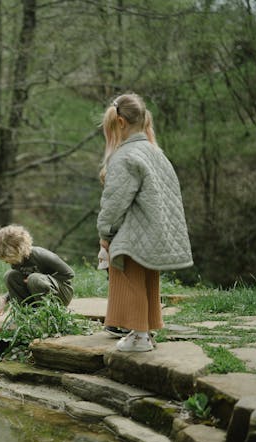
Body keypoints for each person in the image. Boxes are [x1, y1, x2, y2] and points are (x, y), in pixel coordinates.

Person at [97, 93, 193, 352]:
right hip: (156, 231)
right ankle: (146, 331)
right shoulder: (155, 152)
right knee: (147, 279)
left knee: (127, 277)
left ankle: (138, 336)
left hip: (134, 232)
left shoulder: (126, 156)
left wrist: (106, 233)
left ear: (120, 122)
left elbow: (115, 201)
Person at [0, 224, 74, 322]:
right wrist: (6, 298)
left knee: (34, 279)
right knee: (10, 276)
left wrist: (41, 279)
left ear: (18, 249)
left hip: (61, 294)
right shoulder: (17, 260)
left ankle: (49, 314)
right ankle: (25, 314)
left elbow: (69, 274)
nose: (6, 262)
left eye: (7, 259)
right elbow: (22, 281)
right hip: (36, 291)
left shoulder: (42, 255)